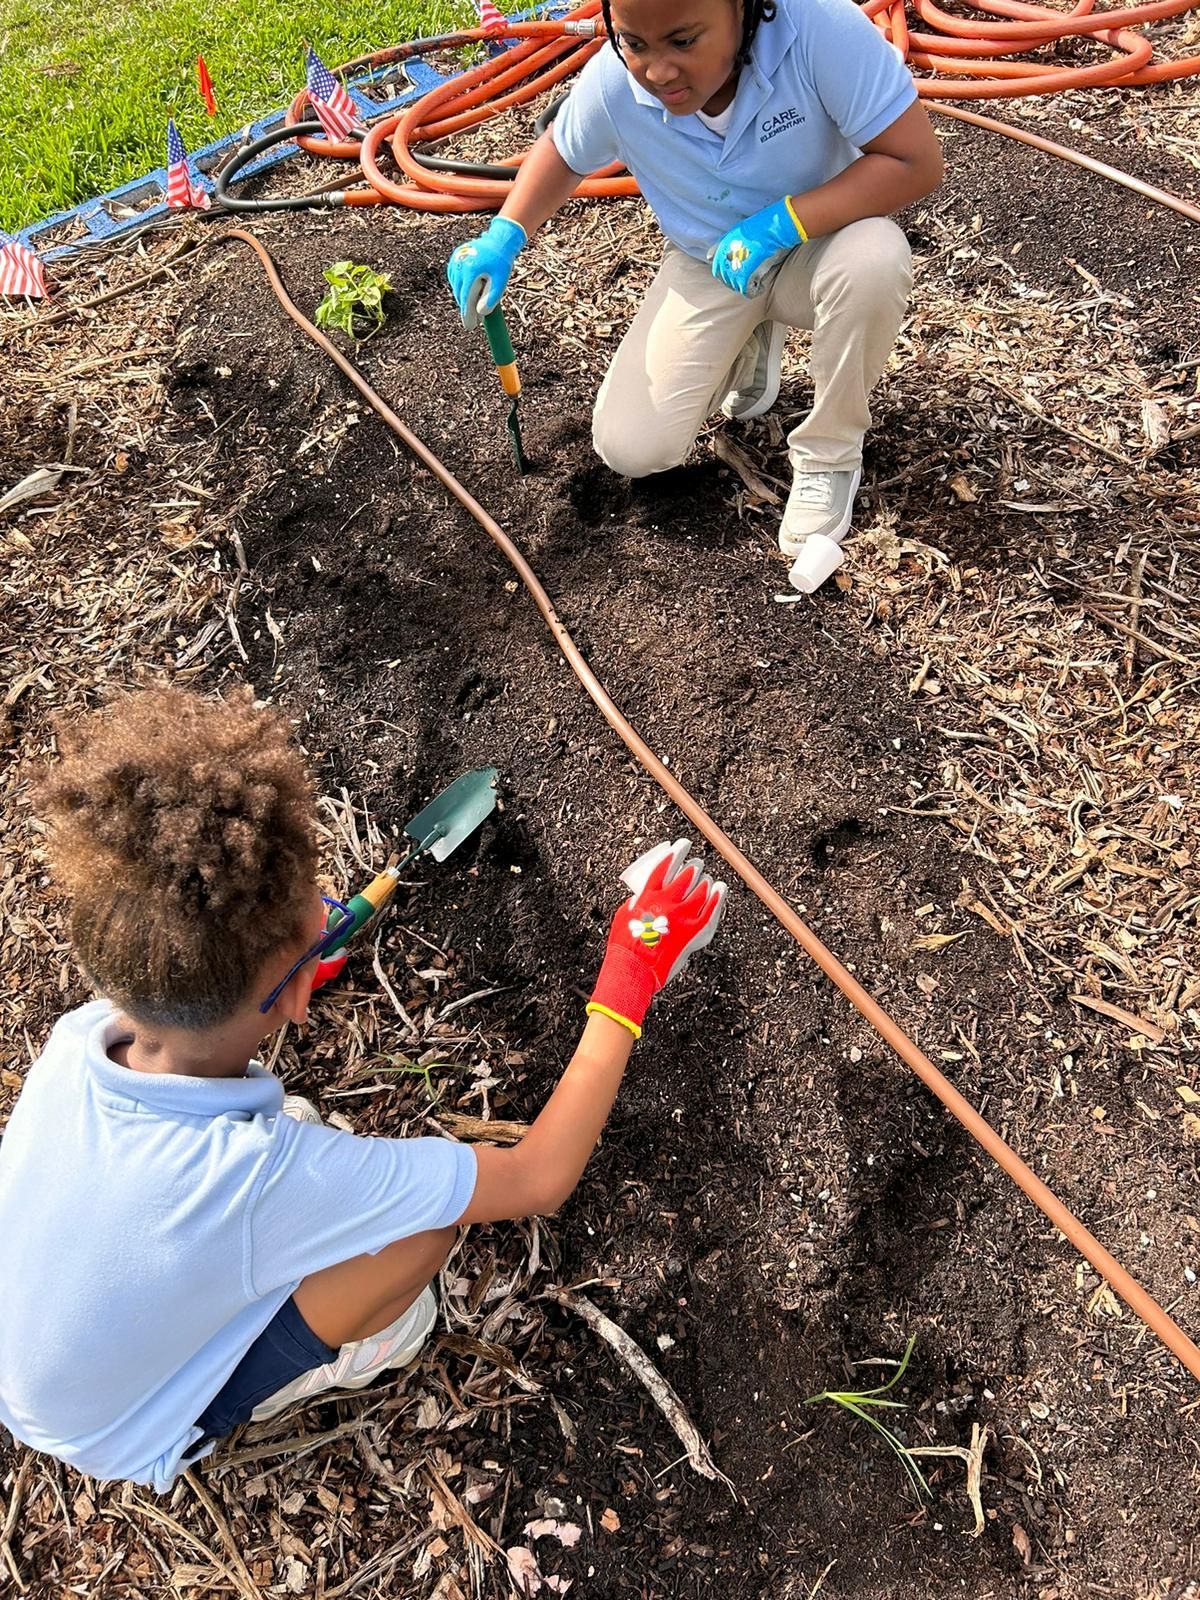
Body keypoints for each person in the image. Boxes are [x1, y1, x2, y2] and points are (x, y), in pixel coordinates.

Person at [0, 686, 725, 1492]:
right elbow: (539, 1178)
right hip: (121, 1427)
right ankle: (344, 1356)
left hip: (32, 1348)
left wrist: (293, 962)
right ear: (300, 991)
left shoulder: (79, 1042)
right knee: (418, 1238)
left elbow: (220, 995)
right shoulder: (262, 1176)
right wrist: (631, 973)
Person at [447, 0, 943, 564]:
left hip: (825, 245)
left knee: (876, 256)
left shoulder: (818, 30)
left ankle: (831, 453)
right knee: (632, 447)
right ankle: (750, 342)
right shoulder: (615, 79)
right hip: (713, 264)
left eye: (683, 42)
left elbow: (916, 163)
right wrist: (505, 234)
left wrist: (784, 221)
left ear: (743, 10)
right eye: (635, 43)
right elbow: (563, 151)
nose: (657, 71)